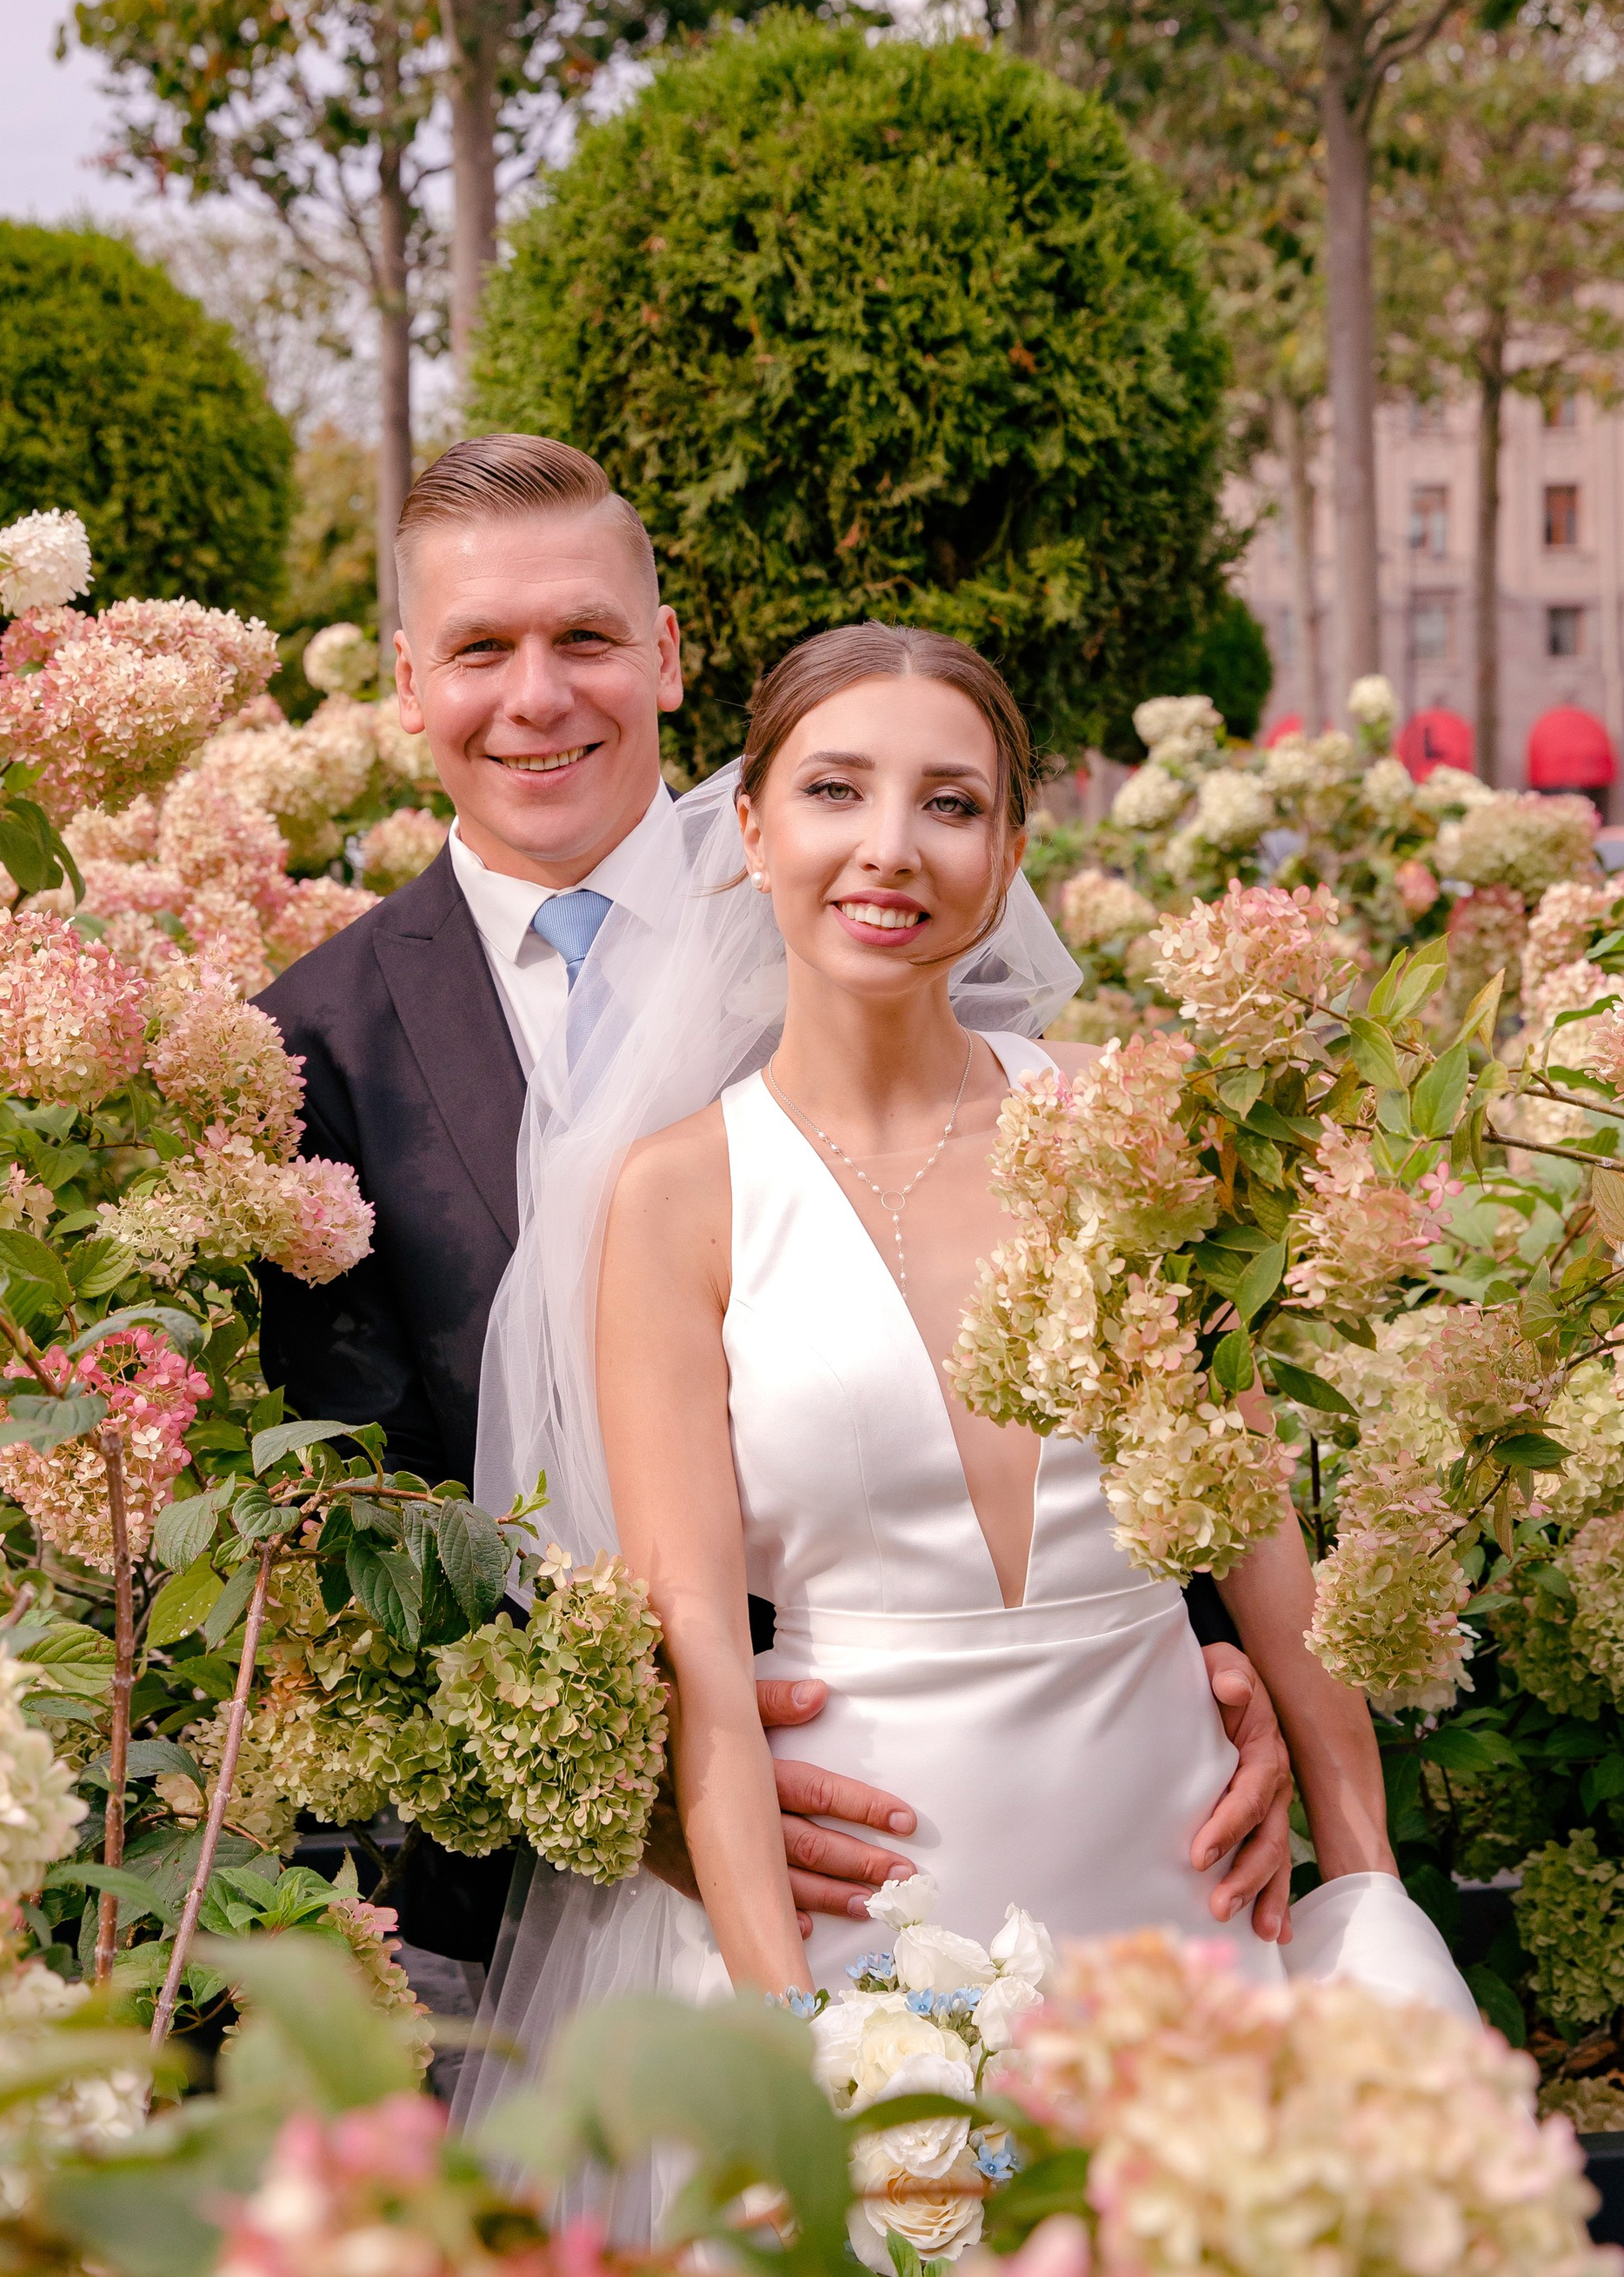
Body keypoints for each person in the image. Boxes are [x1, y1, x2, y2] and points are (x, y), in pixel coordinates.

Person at [259, 437, 1295, 2001]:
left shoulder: (874, 896)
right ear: (410, 680)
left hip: (1077, 1820)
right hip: (568, 1896)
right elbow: (353, 1528)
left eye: (587, 637)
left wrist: (1216, 1674)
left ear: (667, 656)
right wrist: (659, 1801)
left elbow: (1126, 1345)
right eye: (481, 648)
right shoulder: (310, 1048)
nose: (537, 696)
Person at [468, 615, 1473, 2077]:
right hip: (864, 1937)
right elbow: (699, 1668)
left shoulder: (1135, 1123)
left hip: (1187, 1906)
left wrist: (1367, 1883)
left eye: (951, 803)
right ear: (748, 828)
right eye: (834, 790)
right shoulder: (679, 1196)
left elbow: (1265, 1549)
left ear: (1007, 859)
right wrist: (799, 2043)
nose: (891, 846)